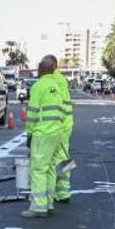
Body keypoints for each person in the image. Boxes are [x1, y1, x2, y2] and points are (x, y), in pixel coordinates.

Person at [23, 56, 68, 218]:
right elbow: (63, 111)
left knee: (38, 170)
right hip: (56, 133)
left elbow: (32, 113)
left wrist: (29, 133)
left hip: (42, 133)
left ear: (41, 69)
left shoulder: (38, 87)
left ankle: (38, 207)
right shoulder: (56, 86)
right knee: (50, 169)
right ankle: (48, 203)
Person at [51, 62, 75, 204]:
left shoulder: (52, 81)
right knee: (64, 156)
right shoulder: (61, 79)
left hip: (57, 125)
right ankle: (64, 191)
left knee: (52, 160)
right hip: (66, 124)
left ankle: (54, 192)